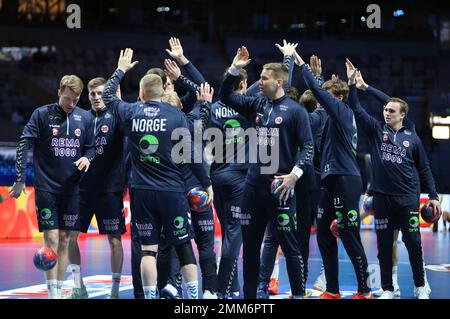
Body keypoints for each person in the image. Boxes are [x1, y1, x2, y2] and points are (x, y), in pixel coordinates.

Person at [102, 48, 213, 299]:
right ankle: (193, 299)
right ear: (163, 92)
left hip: (141, 193)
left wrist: (121, 69)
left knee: (148, 251)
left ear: (141, 94)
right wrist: (206, 183)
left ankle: (149, 296)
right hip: (172, 192)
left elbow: (108, 94)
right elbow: (191, 154)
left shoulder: (131, 112)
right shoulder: (176, 115)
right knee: (184, 247)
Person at [219, 46, 314, 299]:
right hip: (252, 187)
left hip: (281, 188)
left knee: (290, 247)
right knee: (250, 248)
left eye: (263, 78)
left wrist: (295, 174)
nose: (258, 82)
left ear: (279, 82)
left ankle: (297, 295)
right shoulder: (256, 104)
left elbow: (308, 147)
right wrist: (234, 69)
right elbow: (225, 96)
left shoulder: (296, 111)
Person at [346, 60, 441, 299]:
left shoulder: (413, 136)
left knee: (413, 245)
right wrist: (353, 87)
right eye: (385, 110)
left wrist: (433, 196)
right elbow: (356, 109)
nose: (386, 112)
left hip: (408, 199)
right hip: (382, 199)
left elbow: (425, 168)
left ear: (403, 116)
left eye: (391, 111)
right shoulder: (377, 130)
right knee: (384, 248)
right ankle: (388, 288)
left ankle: (421, 287)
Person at [294, 49, 373, 299]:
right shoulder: (329, 117)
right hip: (330, 180)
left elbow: (319, 96)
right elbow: (313, 114)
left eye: (327, 97)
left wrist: (302, 67)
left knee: (348, 235)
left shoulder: (342, 112)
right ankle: (332, 290)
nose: (322, 102)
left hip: (345, 179)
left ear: (338, 97)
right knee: (325, 235)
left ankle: (365, 289)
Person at [10, 75, 95, 299]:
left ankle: (59, 290)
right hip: (47, 188)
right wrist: (20, 178)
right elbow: (23, 142)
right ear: (59, 92)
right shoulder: (41, 114)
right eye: (67, 98)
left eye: (75, 100)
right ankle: (53, 294)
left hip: (73, 190)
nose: (70, 104)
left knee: (66, 240)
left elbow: (92, 148)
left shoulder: (85, 117)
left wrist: (88, 158)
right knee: (52, 241)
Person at [65, 77, 126, 299]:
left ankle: (114, 291)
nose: (97, 97)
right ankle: (78, 285)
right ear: (88, 96)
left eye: (100, 93)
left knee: (114, 239)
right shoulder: (80, 117)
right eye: (93, 94)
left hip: (110, 188)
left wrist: (119, 98)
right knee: (71, 236)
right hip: (82, 188)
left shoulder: (117, 115)